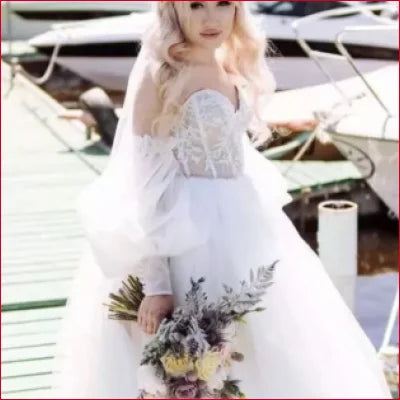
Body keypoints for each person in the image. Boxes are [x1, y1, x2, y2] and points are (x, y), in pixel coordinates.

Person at [51, 2, 392, 398]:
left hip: (243, 228)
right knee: (192, 367)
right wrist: (156, 284)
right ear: (173, 8)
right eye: (196, 5)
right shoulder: (160, 73)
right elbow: (141, 182)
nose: (211, 19)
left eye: (223, 5)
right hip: (186, 237)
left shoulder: (228, 63)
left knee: (269, 346)